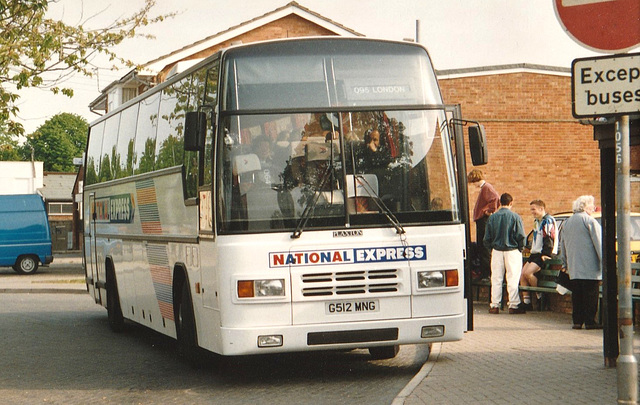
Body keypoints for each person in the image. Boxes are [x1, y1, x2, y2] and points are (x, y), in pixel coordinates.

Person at [558, 195, 602, 330]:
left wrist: (565, 263)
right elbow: (599, 243)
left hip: (574, 268)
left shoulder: (567, 223)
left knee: (577, 296)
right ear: (585, 207)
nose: (593, 208)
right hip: (590, 267)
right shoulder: (589, 221)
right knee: (590, 295)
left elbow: (562, 245)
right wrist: (605, 263)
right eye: (592, 205)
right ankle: (590, 322)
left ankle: (577, 321)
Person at [483, 193, 526, 314]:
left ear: (500, 202)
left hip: (496, 250)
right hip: (512, 250)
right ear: (511, 203)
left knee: (496, 278)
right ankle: (513, 304)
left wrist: (490, 248)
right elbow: (521, 236)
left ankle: (494, 305)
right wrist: (521, 248)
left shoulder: (492, 217)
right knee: (513, 278)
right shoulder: (515, 217)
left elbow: (487, 238)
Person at [519, 200, 558, 310]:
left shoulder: (548, 221)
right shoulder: (537, 221)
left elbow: (549, 238)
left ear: (541, 209)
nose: (532, 212)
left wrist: (546, 253)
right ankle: (527, 302)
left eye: (533, 209)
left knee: (528, 273)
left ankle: (540, 297)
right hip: (534, 253)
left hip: (542, 253)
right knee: (522, 274)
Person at [468, 169, 500, 280]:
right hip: (482, 220)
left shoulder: (486, 187)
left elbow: (495, 198)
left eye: (473, 182)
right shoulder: (485, 188)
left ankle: (486, 274)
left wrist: (488, 210)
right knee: (482, 246)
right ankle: (484, 273)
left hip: (483, 220)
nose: (474, 185)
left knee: (484, 247)